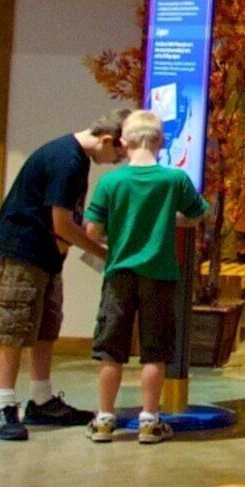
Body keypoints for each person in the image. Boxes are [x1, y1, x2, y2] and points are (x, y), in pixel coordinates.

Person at [0, 113, 120, 441]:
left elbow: (68, 216)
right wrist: (103, 252)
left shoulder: (78, 159)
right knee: (14, 325)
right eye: (119, 153)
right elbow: (62, 224)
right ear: (107, 139)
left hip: (46, 255)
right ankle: (3, 406)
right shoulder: (67, 160)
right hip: (21, 249)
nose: (117, 161)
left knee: (45, 324)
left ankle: (41, 399)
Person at [84, 110, 207, 444]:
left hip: (119, 274)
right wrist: (169, 218)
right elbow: (197, 216)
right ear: (161, 142)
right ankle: (150, 420)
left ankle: (105, 420)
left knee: (111, 349)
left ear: (123, 142)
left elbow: (92, 230)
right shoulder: (174, 180)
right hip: (160, 273)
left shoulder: (111, 182)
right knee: (155, 351)